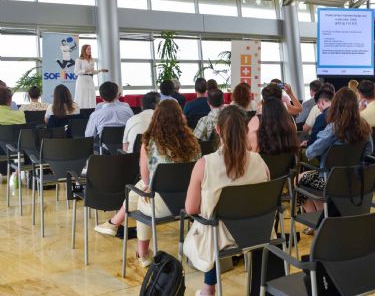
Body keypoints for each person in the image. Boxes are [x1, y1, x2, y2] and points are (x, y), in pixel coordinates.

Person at [94, 100, 200, 267]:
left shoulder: (149, 142)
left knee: (143, 196)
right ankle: (114, 224)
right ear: (180, 117)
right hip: (190, 202)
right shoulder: (193, 141)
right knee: (143, 192)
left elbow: (145, 176)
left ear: (156, 117)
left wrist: (149, 184)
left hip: (161, 206)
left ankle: (142, 253)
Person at [183, 106, 269, 296]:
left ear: (218, 130)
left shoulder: (205, 164)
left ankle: (209, 288)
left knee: (208, 222)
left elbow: (190, 208)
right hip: (257, 231)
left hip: (220, 238)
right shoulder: (259, 161)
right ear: (245, 130)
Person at [300, 88, 373, 213]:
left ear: (336, 106)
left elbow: (311, 152)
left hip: (330, 179)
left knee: (299, 179)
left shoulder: (334, 127)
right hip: (354, 177)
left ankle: (320, 218)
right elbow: (368, 151)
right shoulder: (364, 125)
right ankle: (323, 215)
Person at [74, 45, 108, 109]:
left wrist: (100, 71)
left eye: (90, 49)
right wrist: (85, 70)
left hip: (89, 79)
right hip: (82, 79)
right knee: (82, 95)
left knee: (90, 95)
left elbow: (92, 71)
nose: (90, 51)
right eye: (88, 49)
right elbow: (76, 72)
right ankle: (81, 111)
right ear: (84, 50)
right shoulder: (79, 60)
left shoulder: (92, 60)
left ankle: (91, 110)